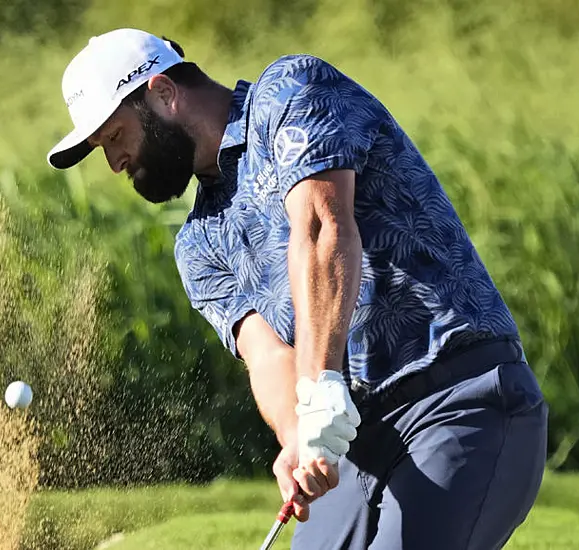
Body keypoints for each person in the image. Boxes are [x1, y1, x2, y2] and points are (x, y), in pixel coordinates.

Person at [45, 28, 549, 550]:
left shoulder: (289, 93)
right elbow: (265, 354)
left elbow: (321, 230)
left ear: (162, 93)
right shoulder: (197, 245)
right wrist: (298, 438)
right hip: (351, 445)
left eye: (115, 135)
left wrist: (319, 391)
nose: (114, 162)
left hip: (458, 398)